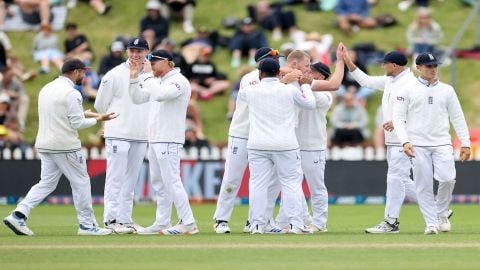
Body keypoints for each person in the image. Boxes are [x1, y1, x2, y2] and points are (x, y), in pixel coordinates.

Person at [2, 59, 117, 236]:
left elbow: (60, 114)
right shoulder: (72, 93)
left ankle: (18, 214)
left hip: (45, 144)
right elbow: (77, 123)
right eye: (83, 72)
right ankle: (87, 225)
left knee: (47, 183)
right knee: (81, 182)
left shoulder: (47, 88)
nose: (84, 76)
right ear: (75, 72)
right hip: (64, 145)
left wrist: (84, 114)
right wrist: (99, 119)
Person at [212, 47, 300, 234]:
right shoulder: (251, 78)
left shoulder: (276, 80)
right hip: (242, 134)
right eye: (275, 60)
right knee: (232, 177)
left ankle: (259, 221)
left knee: (267, 182)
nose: (279, 63)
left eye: (279, 60)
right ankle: (221, 219)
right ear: (263, 62)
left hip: (263, 137)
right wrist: (285, 79)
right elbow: (265, 91)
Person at [393, 53, 471, 235]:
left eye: (435, 66)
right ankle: (431, 223)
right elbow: (398, 117)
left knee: (447, 178)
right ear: (418, 68)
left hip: (442, 142)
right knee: (423, 184)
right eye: (428, 66)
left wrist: (465, 143)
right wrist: (405, 141)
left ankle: (442, 213)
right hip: (417, 144)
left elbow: (457, 117)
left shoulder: (447, 90)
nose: (433, 69)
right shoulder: (407, 90)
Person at [239, 58, 315, 234]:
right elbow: (310, 104)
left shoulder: (250, 90)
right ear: (278, 72)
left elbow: (245, 95)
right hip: (285, 144)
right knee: (291, 184)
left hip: (257, 144)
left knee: (257, 184)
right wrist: (304, 86)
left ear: (260, 74)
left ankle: (257, 224)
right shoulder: (288, 91)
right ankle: (296, 224)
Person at [344, 50, 418, 233]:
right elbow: (366, 81)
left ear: (394, 65)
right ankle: (439, 210)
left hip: (404, 139)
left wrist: (399, 121)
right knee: (403, 180)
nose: (382, 66)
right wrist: (347, 62)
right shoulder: (390, 80)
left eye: (384, 63)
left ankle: (391, 222)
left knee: (395, 179)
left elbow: (419, 111)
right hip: (394, 140)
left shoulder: (411, 83)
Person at [128, 49, 198, 235]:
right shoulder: (158, 81)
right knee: (159, 182)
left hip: (169, 139)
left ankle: (188, 222)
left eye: (154, 61)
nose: (150, 65)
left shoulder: (178, 81)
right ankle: (162, 221)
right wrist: (135, 78)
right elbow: (136, 98)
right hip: (156, 138)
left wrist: (148, 75)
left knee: (172, 180)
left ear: (166, 62)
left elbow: (160, 95)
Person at [94, 38, 150, 234]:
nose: (135, 54)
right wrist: (112, 123)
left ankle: (125, 219)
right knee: (115, 177)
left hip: (141, 134)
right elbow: (100, 105)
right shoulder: (114, 74)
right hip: (118, 132)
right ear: (127, 51)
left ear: (146, 52)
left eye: (139, 51)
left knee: (131, 179)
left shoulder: (151, 75)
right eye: (132, 50)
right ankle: (110, 219)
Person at [294, 59, 345, 233]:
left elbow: (312, 100)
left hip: (314, 145)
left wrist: (306, 84)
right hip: (293, 144)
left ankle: (320, 222)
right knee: (292, 185)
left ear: (321, 76)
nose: (307, 72)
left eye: (312, 71)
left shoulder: (326, 96)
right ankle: (303, 217)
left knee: (316, 186)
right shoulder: (300, 88)